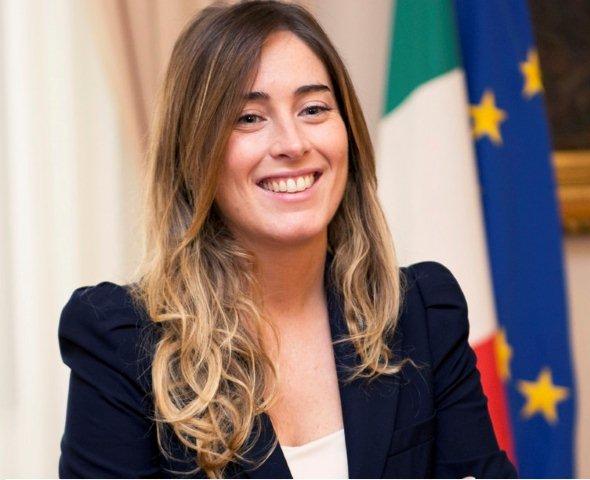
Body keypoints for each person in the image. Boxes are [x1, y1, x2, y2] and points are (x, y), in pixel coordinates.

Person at [57, 1, 518, 478]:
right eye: (249, 118)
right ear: (193, 151)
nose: (293, 144)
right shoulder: (121, 342)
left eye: (313, 109)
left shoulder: (422, 313)